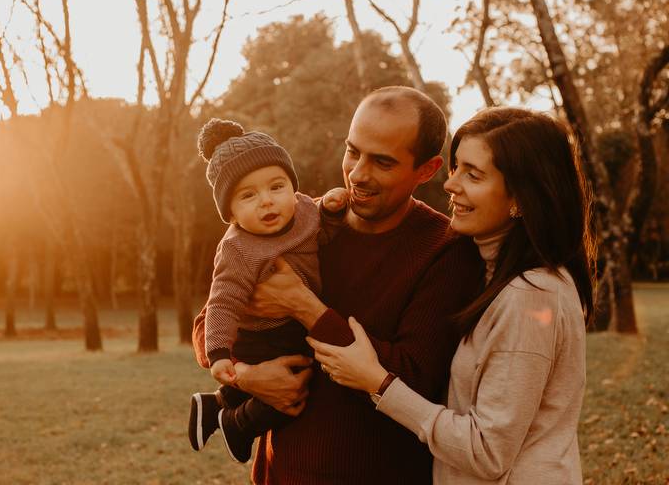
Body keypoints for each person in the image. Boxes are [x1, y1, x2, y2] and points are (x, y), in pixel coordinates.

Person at [192, 86, 485, 484]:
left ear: (427, 170)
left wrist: (303, 306)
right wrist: (246, 375)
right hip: (282, 472)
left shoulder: (445, 252)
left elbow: (414, 377)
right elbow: (208, 322)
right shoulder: (300, 224)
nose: (358, 174)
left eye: (382, 162)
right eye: (353, 151)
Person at [309, 107, 595, 484]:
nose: (451, 184)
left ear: (521, 199)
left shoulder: (532, 297)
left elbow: (487, 452)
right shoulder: (490, 275)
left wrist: (378, 383)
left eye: (473, 175)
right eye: (456, 167)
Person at [188, 118, 347, 464]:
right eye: (248, 195)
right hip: (260, 335)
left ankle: (213, 404)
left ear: (292, 187)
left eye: (277, 187)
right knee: (299, 384)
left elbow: (321, 225)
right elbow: (222, 302)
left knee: (303, 374)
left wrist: (332, 210)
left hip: (293, 324)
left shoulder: (305, 210)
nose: (267, 202)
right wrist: (218, 353)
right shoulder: (237, 248)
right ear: (230, 212)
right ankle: (237, 425)